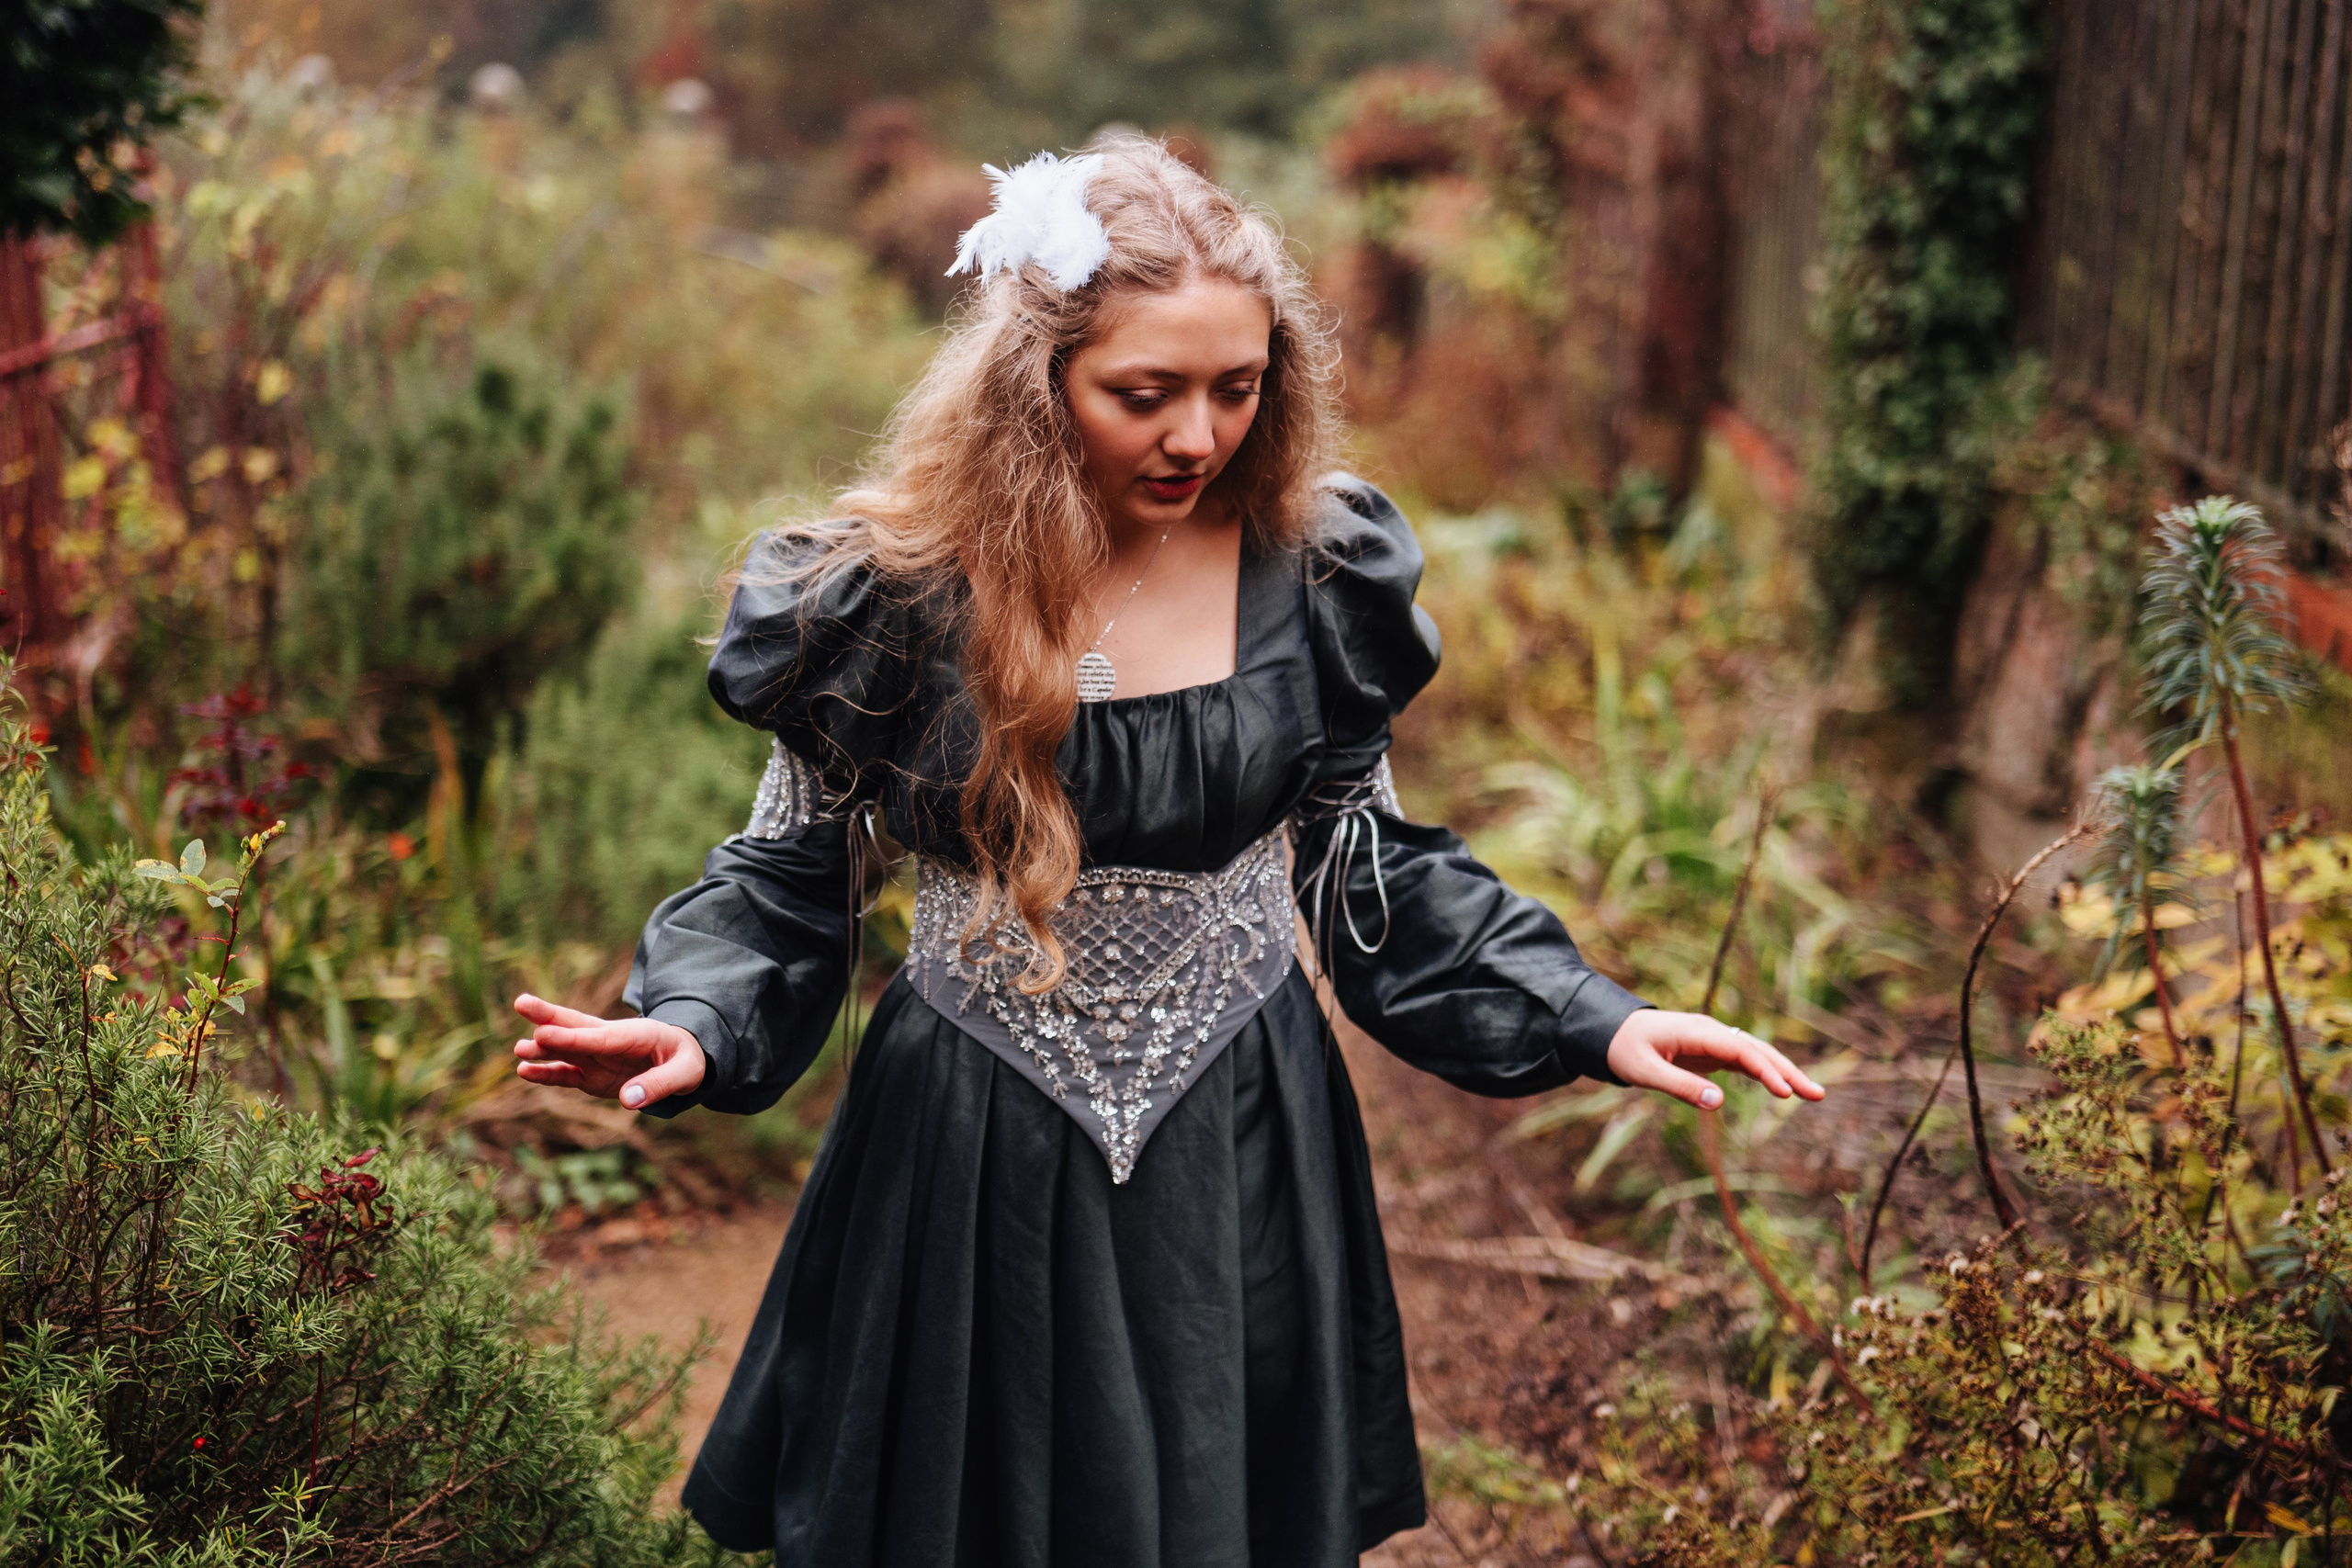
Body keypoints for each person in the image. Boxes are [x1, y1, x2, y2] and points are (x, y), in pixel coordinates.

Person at [510, 136, 1825, 1565]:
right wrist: (697, 1019)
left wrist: (1589, 1017)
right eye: (1146, 394)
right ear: (1038, 385)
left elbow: (1364, 867)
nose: (1199, 436)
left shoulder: (1312, 578)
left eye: (1237, 389)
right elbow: (790, 869)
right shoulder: (895, 598)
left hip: (1237, 1131)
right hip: (972, 1139)